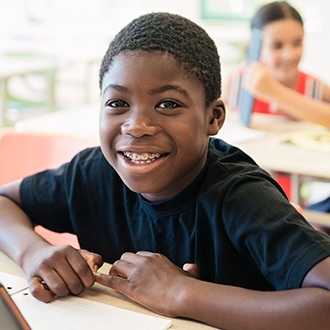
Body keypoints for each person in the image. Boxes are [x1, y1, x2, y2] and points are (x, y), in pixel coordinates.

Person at [0, 12, 329, 330]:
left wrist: (182, 293)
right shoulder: (93, 173)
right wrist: (34, 252)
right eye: (118, 103)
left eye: (168, 104)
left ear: (213, 117)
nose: (137, 126)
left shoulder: (240, 196)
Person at [223, 1, 330, 128]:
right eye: (277, 46)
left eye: (297, 43)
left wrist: (274, 92)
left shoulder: (315, 87)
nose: (289, 55)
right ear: (255, 46)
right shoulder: (237, 82)